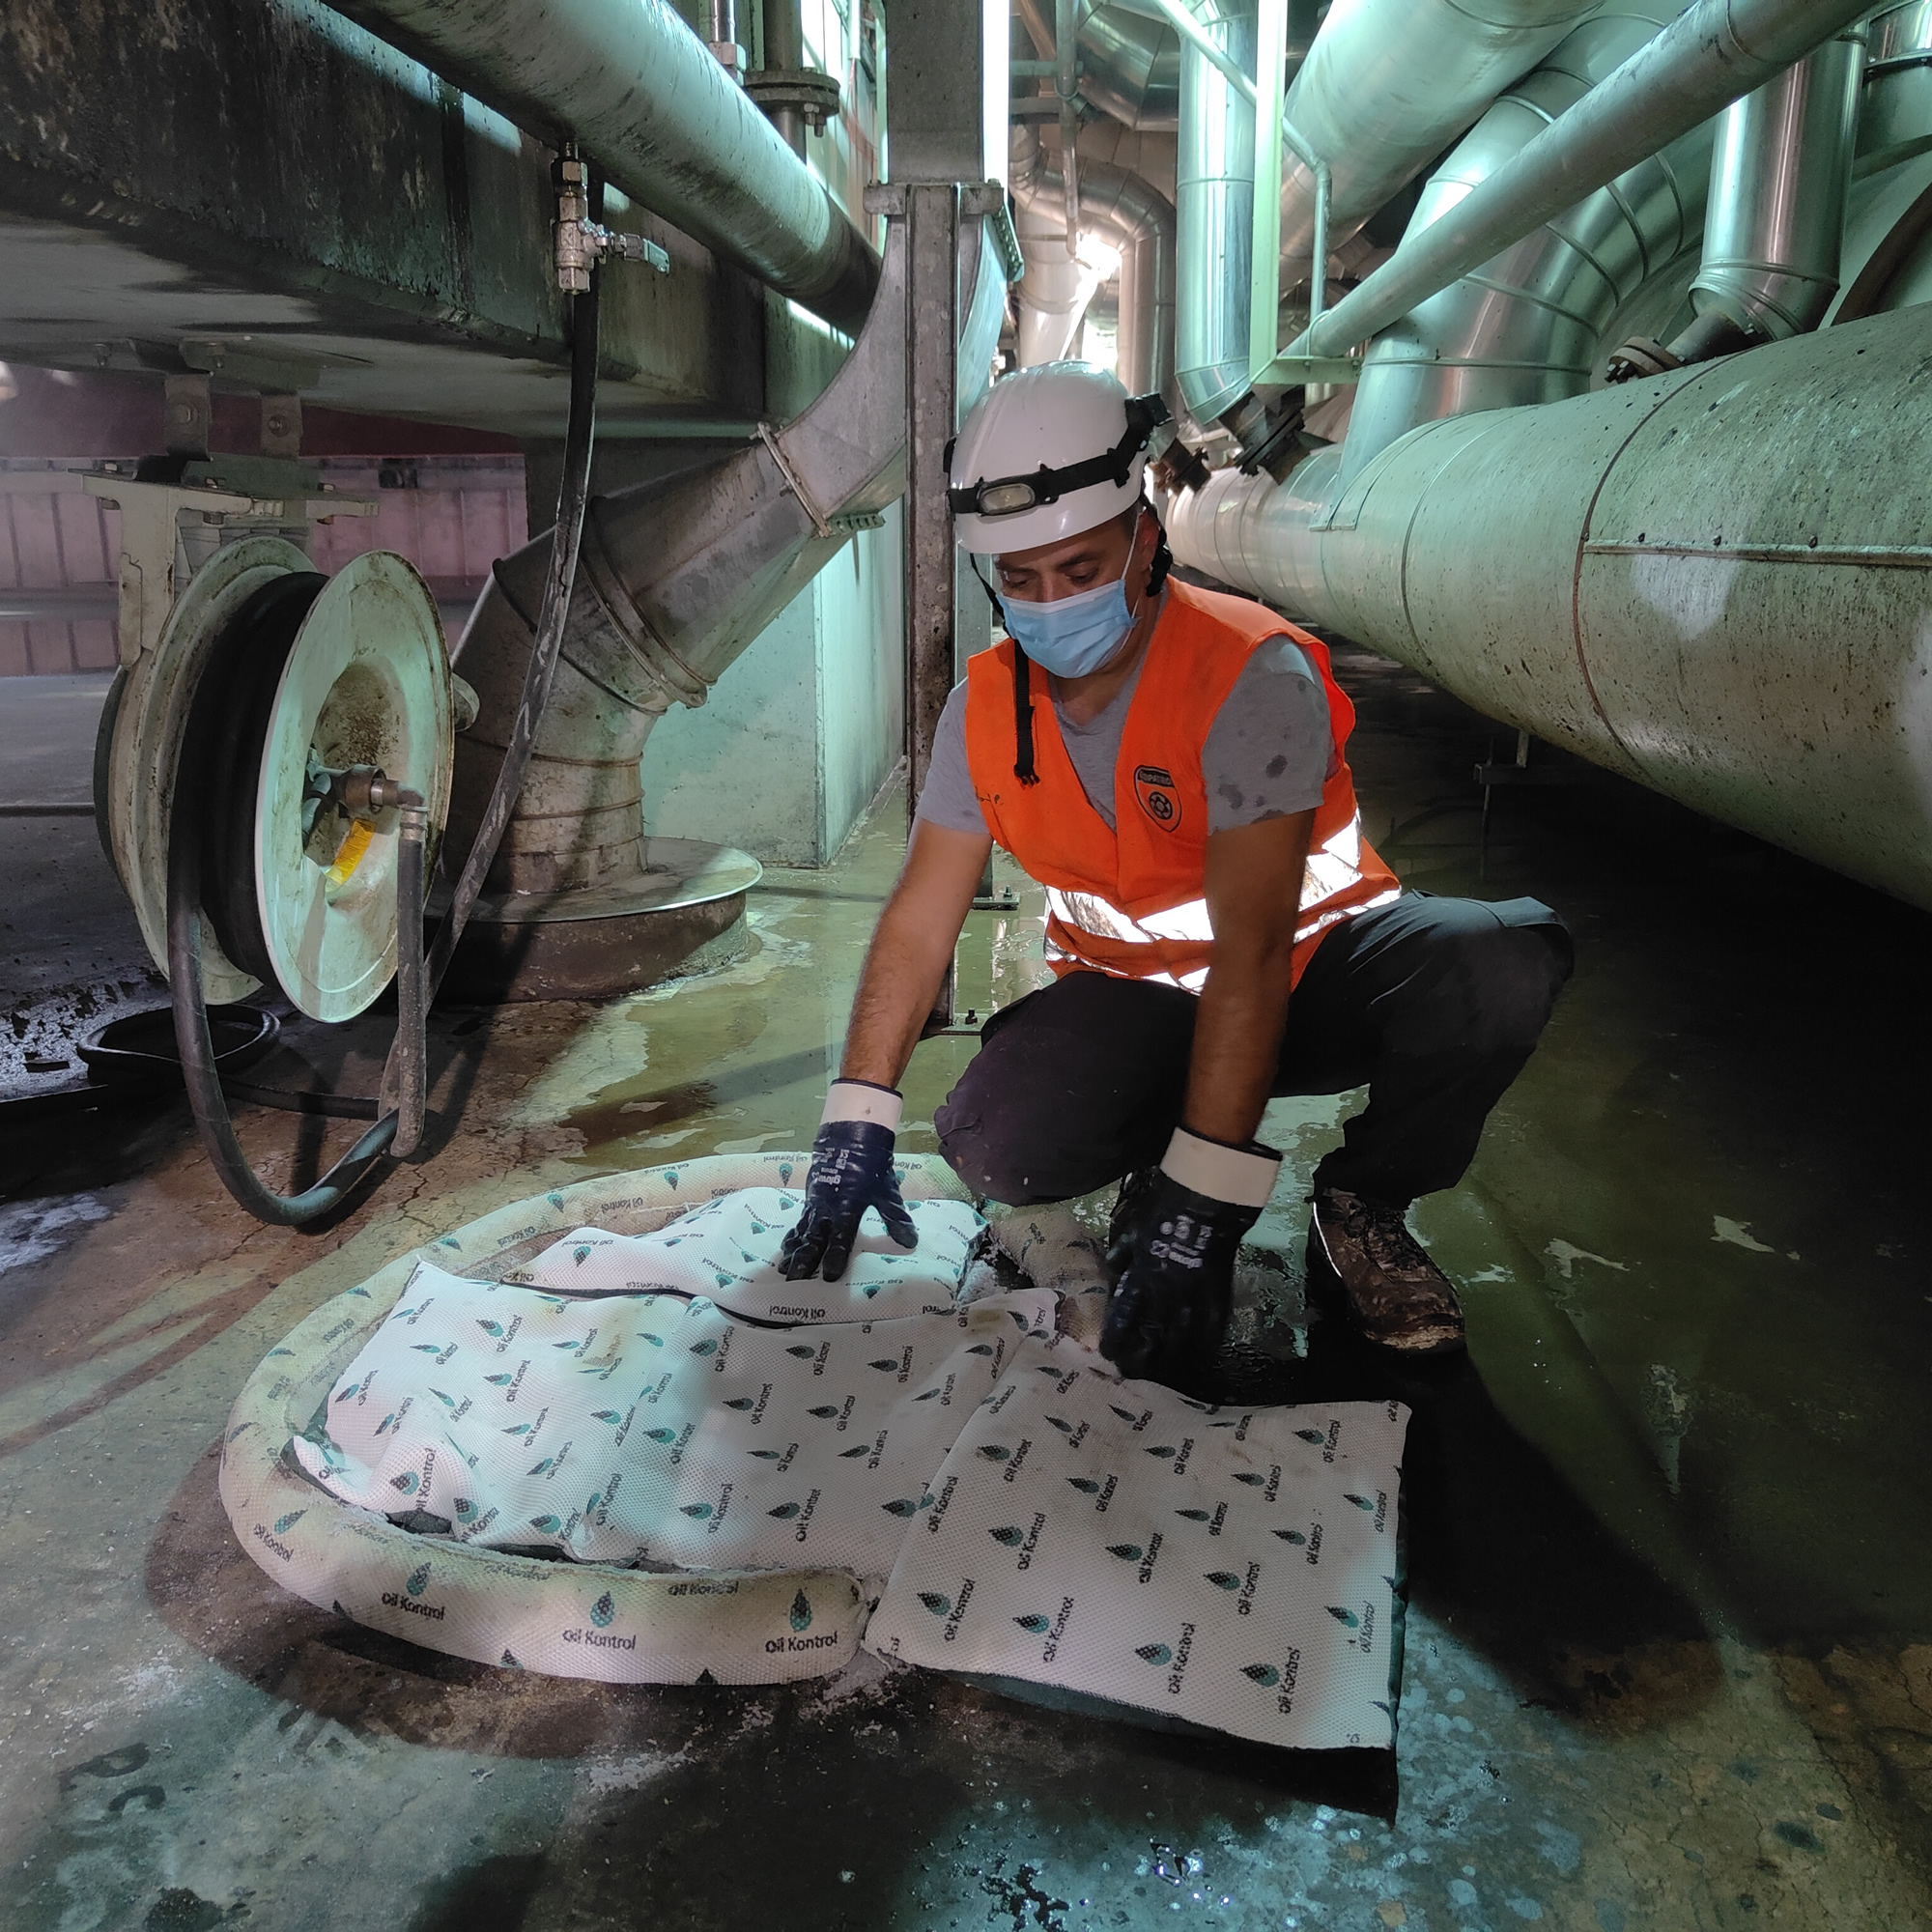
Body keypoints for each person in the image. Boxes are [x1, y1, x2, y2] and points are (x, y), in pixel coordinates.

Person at [781, 362, 1571, 1386]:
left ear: (1144, 537)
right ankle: (1155, 1150)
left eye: (1077, 568)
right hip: (1146, 1003)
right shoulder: (981, 708)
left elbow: (1248, 953)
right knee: (997, 1141)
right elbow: (920, 917)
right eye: (1017, 580)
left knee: (1493, 964)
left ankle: (1363, 1199)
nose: (1049, 604)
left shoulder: (1247, 675)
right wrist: (854, 1119)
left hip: (1312, 976)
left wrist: (1204, 1202)